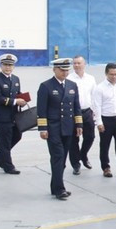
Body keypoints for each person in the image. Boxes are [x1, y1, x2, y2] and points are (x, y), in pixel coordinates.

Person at [37, 58, 82, 200]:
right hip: (53, 128)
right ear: (54, 70)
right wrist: (43, 128)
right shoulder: (46, 86)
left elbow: (76, 107)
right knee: (58, 157)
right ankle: (60, 189)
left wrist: (79, 125)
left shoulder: (72, 85)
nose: (64, 72)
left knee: (62, 160)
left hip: (68, 127)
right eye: (62, 70)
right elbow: (41, 110)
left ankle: (54, 186)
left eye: (66, 70)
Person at [0, 53, 27, 175]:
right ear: (1, 65)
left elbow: (16, 93)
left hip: (14, 115)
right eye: (5, 65)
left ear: (14, 66)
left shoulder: (15, 79)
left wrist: (23, 98)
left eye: (10, 65)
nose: (8, 67)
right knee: (4, 141)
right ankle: (8, 166)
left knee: (17, 135)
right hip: (3, 116)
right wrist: (16, 101)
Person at [91, 63, 116, 178]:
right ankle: (106, 167)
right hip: (106, 120)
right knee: (105, 145)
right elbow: (97, 106)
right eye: (111, 74)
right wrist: (99, 123)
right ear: (106, 74)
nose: (114, 77)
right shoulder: (99, 88)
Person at [68, 55, 96, 172]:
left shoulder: (90, 78)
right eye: (74, 63)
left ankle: (83, 155)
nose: (76, 65)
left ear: (84, 64)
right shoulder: (69, 79)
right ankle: (75, 164)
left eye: (79, 63)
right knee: (73, 140)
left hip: (87, 111)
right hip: (73, 113)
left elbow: (94, 95)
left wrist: (94, 111)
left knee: (90, 136)